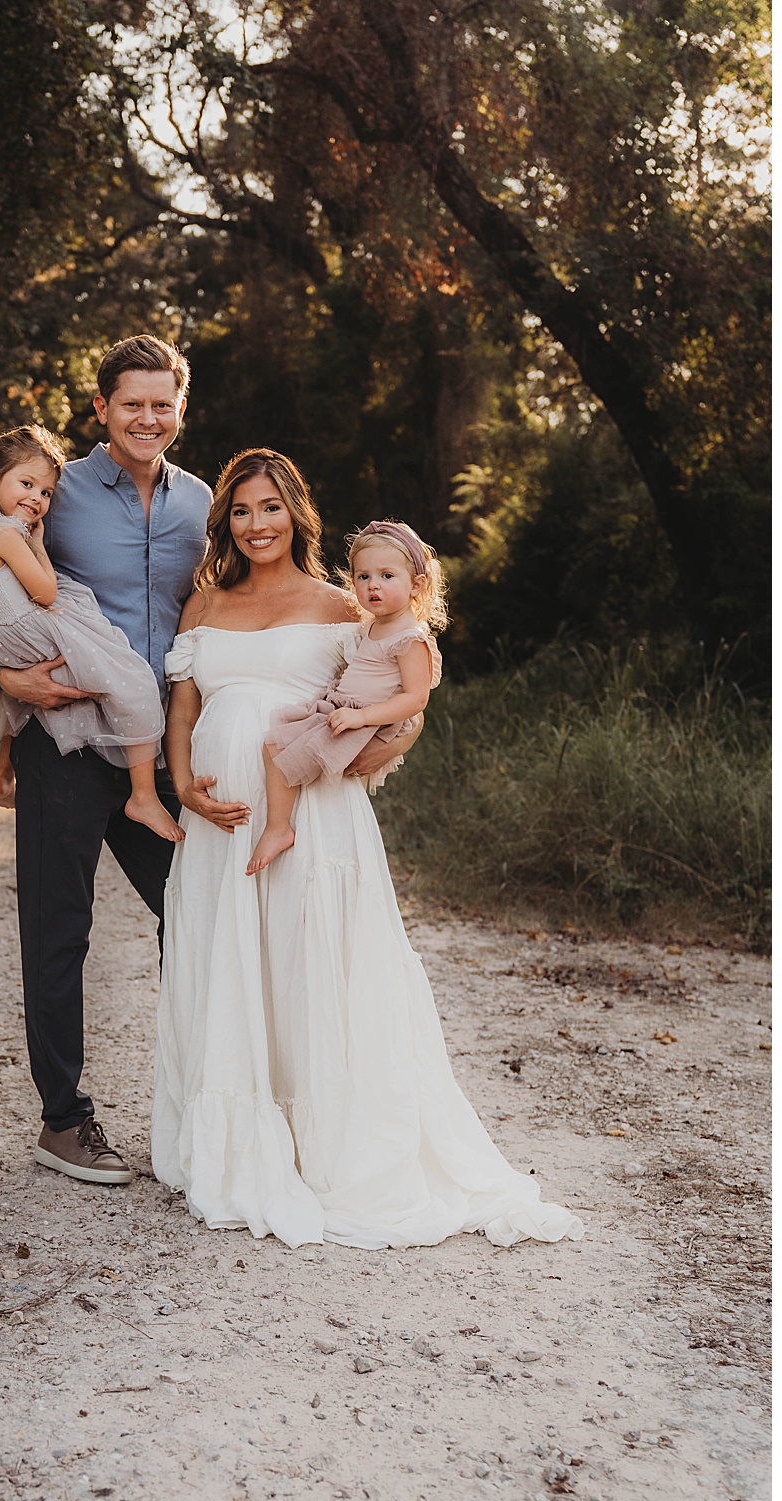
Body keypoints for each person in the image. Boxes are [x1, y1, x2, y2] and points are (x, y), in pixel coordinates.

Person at [0, 340, 416, 1187]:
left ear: (181, 409)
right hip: (66, 741)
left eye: (163, 405)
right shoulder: (54, 489)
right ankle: (64, 1119)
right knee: (59, 933)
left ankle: (213, 1097)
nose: (148, 419)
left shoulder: (204, 499)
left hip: (165, 757)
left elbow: (246, 615)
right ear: (101, 409)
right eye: (132, 404)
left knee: (197, 919)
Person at [154, 447, 584, 1251]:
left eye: (271, 508)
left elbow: (398, 702)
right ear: (226, 522)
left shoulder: (341, 606)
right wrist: (182, 782)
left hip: (314, 817)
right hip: (223, 818)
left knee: (307, 961)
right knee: (233, 964)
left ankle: (327, 1147)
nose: (257, 525)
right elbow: (182, 707)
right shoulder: (202, 606)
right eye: (241, 511)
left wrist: (381, 747)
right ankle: (239, 1137)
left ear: (296, 514)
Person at [0, 424, 182, 844]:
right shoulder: (9, 533)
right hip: (31, 631)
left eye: (46, 492)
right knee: (133, 683)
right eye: (27, 484)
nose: (37, 498)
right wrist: (39, 546)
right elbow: (45, 592)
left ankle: (124, 787)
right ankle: (142, 796)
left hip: (15, 633)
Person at [246, 517, 445, 874]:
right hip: (345, 710)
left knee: (278, 748)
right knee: (277, 745)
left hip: (365, 720)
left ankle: (278, 828)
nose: (373, 586)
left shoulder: (410, 639)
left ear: (416, 585)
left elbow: (416, 699)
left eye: (387, 576)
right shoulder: (373, 626)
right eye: (363, 577)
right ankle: (289, 830)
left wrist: (362, 717)